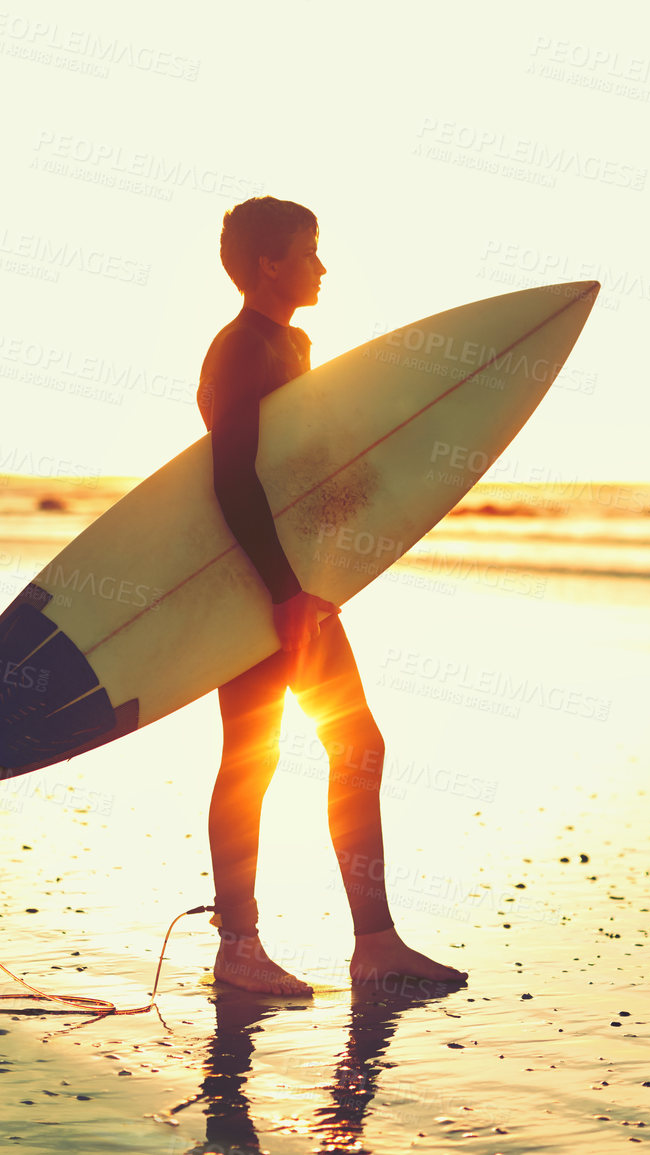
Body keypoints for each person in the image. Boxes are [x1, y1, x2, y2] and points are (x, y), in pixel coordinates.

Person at [198, 196, 466, 995]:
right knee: (254, 757)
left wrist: (323, 573)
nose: (322, 266)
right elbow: (232, 480)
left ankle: (372, 944)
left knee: (352, 747)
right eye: (309, 251)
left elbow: (297, 475)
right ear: (269, 263)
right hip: (247, 584)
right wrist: (282, 591)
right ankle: (240, 945)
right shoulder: (239, 350)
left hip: (295, 583)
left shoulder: (293, 343)